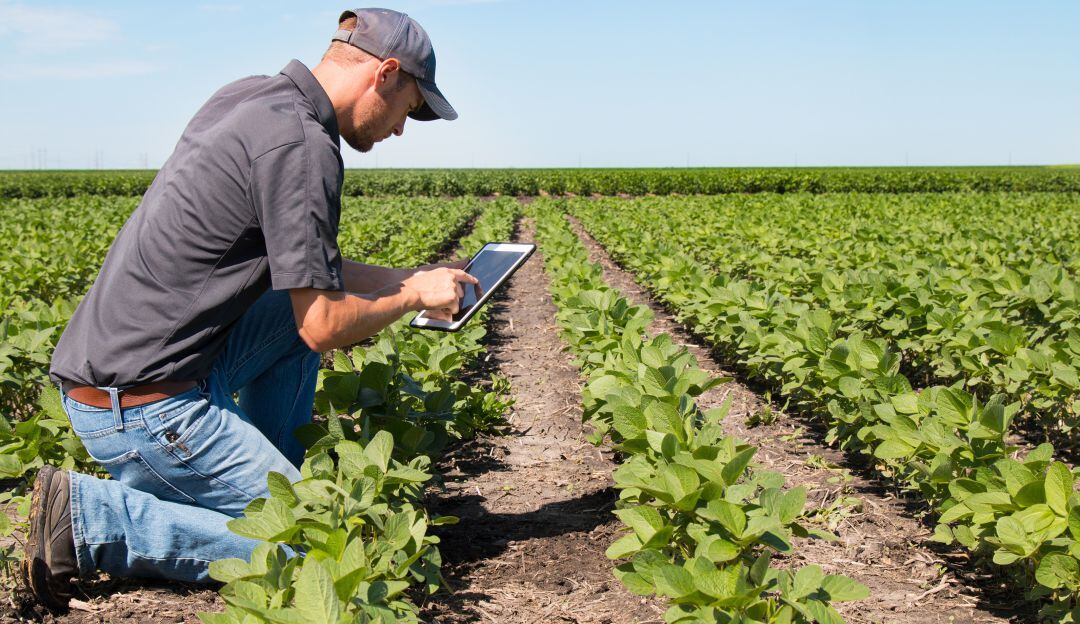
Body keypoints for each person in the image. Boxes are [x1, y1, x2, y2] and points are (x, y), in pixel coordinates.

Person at [22, 7, 476, 611]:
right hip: (142, 407)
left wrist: (409, 276)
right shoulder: (304, 147)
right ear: (386, 73)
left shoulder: (251, 98)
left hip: (123, 372)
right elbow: (323, 325)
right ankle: (93, 519)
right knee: (321, 550)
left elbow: (312, 275)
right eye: (409, 108)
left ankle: (270, 480)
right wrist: (414, 297)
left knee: (288, 310)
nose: (400, 130)